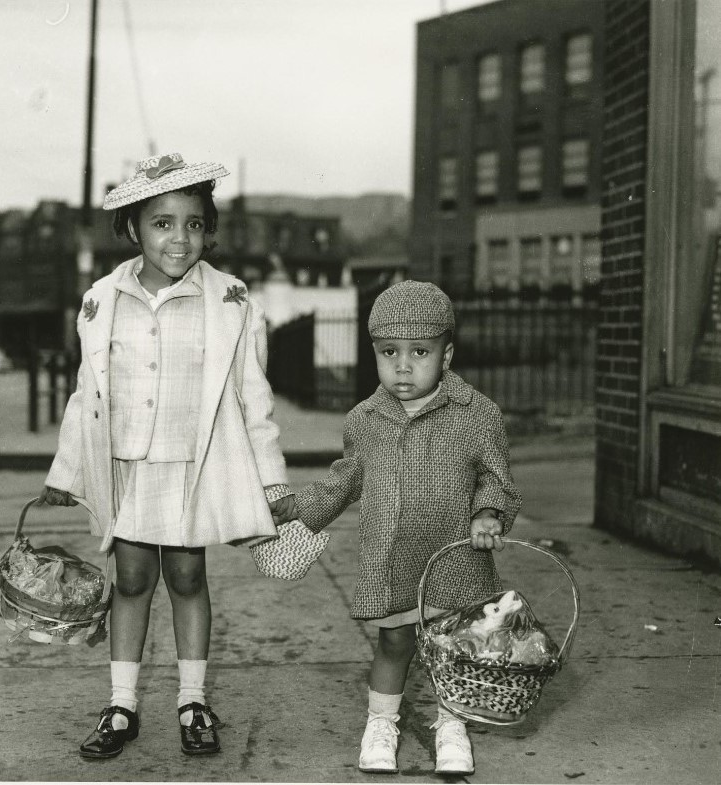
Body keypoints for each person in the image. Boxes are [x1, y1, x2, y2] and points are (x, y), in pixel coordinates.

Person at [37, 152, 296, 759]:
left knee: (186, 575)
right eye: (162, 223)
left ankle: (192, 699)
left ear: (209, 230)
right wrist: (65, 473)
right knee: (131, 579)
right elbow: (87, 394)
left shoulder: (229, 300)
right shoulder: (102, 299)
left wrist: (272, 482)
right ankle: (122, 704)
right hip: (128, 464)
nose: (179, 238)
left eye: (194, 223)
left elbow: (252, 396)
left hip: (193, 461)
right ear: (132, 229)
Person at [293, 280, 522, 776]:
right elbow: (343, 481)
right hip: (393, 557)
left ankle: (452, 722)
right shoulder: (367, 419)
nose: (402, 366)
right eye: (388, 352)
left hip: (455, 555)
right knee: (394, 642)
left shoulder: (476, 414)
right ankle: (381, 722)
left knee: (452, 646)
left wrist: (488, 514)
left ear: (447, 353)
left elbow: (496, 477)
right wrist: (294, 509)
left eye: (420, 351)